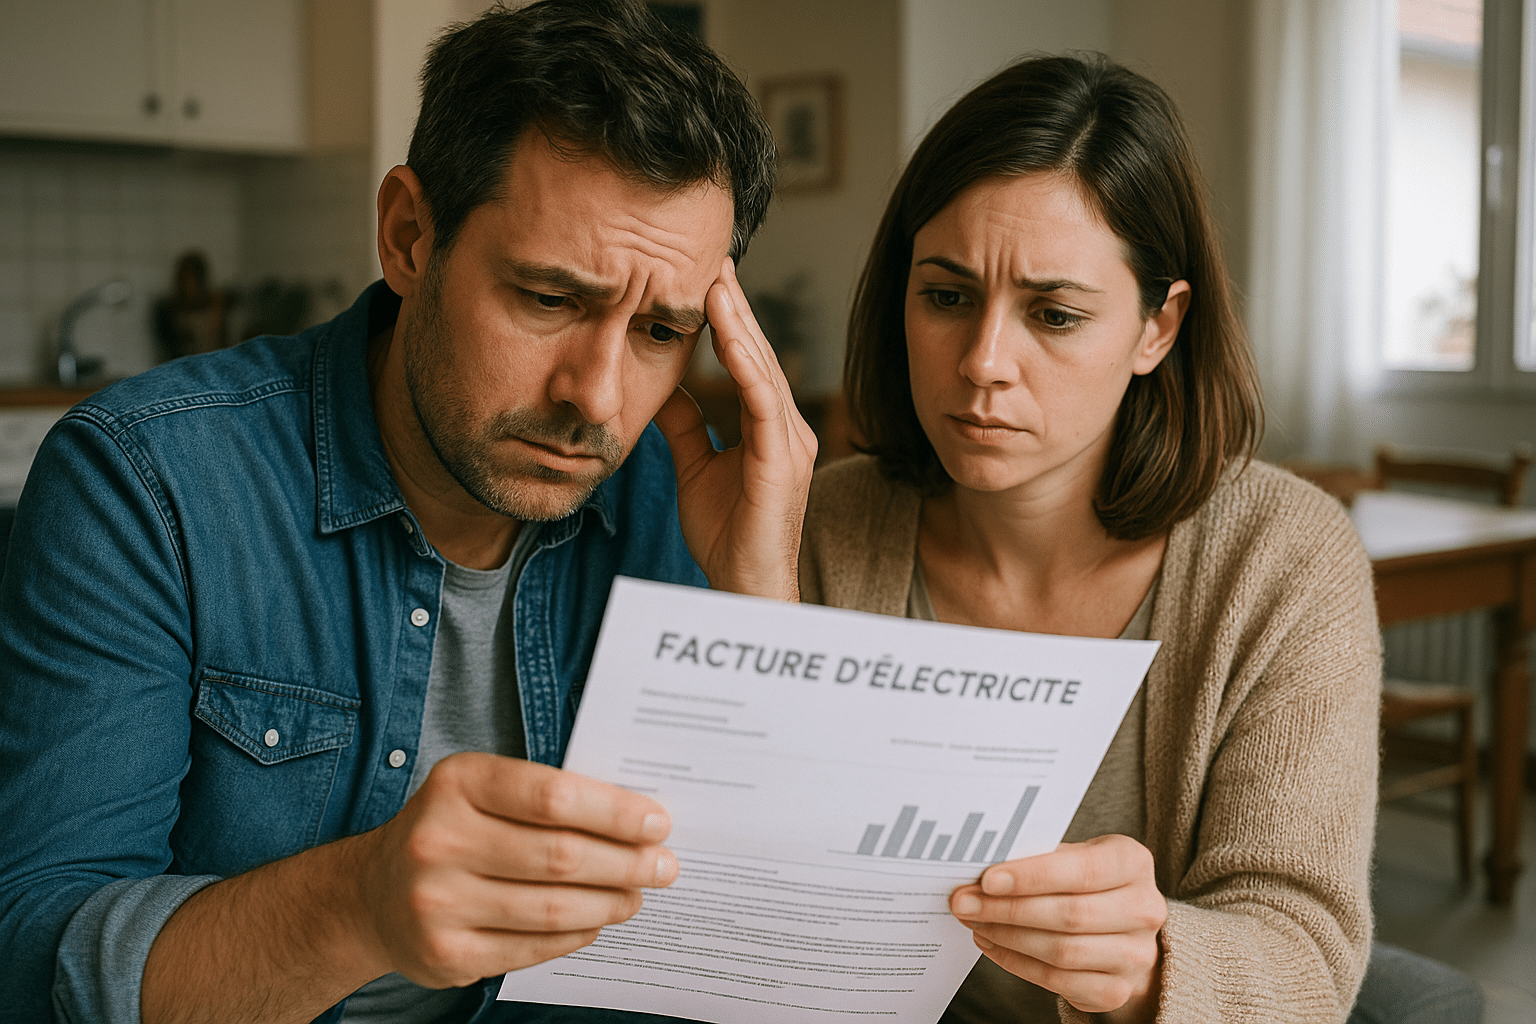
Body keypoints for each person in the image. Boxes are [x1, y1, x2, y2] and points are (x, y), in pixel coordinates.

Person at [0, 2, 815, 1022]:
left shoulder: (684, 508)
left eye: (661, 329)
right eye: (550, 298)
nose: (598, 399)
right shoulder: (150, 480)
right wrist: (358, 903)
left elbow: (753, 959)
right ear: (408, 236)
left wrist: (761, 613)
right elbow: (34, 962)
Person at [799, 55, 1381, 1023]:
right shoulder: (827, 523)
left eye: (1054, 314)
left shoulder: (1281, 558)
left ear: (1159, 326)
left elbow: (1307, 953)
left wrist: (1149, 968)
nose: (983, 363)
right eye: (945, 297)